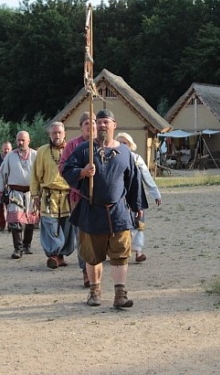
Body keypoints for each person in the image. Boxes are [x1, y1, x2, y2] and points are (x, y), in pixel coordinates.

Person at [62, 109, 144, 309]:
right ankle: (94, 292)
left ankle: (120, 295)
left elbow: (133, 180)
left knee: (120, 255)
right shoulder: (84, 149)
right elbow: (66, 169)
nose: (101, 125)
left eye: (106, 122)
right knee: (92, 256)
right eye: (98, 122)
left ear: (114, 125)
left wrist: (136, 205)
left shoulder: (125, 152)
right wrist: (82, 172)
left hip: (118, 212)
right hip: (91, 210)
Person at [30, 121, 74, 270]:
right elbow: (35, 175)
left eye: (59, 132)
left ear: (64, 133)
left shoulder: (71, 149)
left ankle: (60, 256)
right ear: (49, 134)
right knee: (50, 224)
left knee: (66, 226)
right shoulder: (42, 151)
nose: (57, 135)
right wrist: (35, 194)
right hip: (49, 196)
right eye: (54, 133)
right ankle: (53, 254)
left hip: (67, 196)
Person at [59, 111, 95, 288]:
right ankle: (86, 271)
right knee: (82, 236)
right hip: (79, 197)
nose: (91, 126)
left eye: (93, 123)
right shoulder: (73, 145)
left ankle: (96, 269)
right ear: (81, 127)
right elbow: (63, 168)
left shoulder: (104, 144)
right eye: (87, 123)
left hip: (101, 198)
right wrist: (81, 172)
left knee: (99, 236)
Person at [115, 132, 162, 263]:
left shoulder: (136, 159)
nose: (122, 145)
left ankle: (138, 252)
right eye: (120, 142)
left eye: (125, 143)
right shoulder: (113, 158)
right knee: (121, 225)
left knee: (138, 224)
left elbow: (146, 176)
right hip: (119, 197)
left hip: (136, 196)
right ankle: (120, 251)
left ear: (130, 145)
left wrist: (156, 194)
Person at [0, 131, 39, 259]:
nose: (20, 142)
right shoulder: (10, 156)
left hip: (31, 193)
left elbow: (42, 174)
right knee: (15, 221)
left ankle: (27, 245)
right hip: (15, 194)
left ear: (29, 141)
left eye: (23, 140)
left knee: (30, 221)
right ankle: (18, 249)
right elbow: (2, 174)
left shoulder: (36, 155)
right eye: (18, 140)